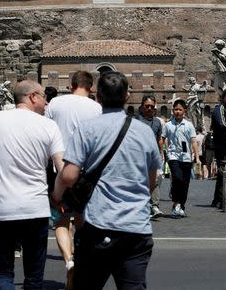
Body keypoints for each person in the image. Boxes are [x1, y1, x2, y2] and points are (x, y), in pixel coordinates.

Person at [54, 71, 160, 289]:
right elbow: (151, 182)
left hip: (98, 224)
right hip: (136, 228)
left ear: (98, 98)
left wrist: (57, 194)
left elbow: (69, 175)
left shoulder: (87, 129)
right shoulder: (145, 132)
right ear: (127, 96)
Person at [0, 80, 64, 290]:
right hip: (35, 208)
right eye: (44, 97)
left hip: (1, 209)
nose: (47, 103)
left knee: (2, 274)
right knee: (34, 278)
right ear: (32, 97)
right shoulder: (48, 125)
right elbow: (62, 169)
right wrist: (57, 194)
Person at [46, 71, 101, 283]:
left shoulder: (55, 105)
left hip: (58, 171)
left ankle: (69, 260)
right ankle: (80, 257)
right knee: (81, 219)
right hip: (86, 174)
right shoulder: (97, 108)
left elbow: (46, 134)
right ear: (91, 88)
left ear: (71, 86)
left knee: (60, 219)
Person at [162, 98, 199, 218]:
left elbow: (193, 141)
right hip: (173, 156)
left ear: (185, 111)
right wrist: (163, 152)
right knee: (177, 178)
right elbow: (162, 139)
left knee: (185, 183)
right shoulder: (168, 125)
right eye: (175, 109)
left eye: (180, 109)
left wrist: (197, 157)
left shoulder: (189, 125)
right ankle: (175, 203)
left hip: (186, 157)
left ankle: (181, 206)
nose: (177, 111)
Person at [136, 94, 164, 219]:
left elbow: (159, 140)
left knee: (155, 180)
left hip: (153, 156)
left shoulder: (157, 122)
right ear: (141, 107)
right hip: (138, 155)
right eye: (147, 106)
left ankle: (154, 205)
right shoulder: (135, 120)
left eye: (152, 107)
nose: (149, 109)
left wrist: (161, 153)